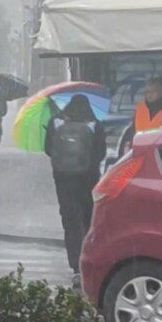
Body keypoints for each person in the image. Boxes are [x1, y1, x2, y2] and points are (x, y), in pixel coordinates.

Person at [45, 94, 107, 289]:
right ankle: (90, 261)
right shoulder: (94, 124)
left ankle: (76, 268)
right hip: (88, 179)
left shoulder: (55, 122)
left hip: (63, 180)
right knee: (89, 220)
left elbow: (48, 149)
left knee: (70, 221)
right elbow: (101, 153)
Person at [118, 78, 162, 157]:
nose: (149, 95)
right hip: (140, 155)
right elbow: (132, 134)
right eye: (147, 92)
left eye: (154, 91)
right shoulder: (140, 108)